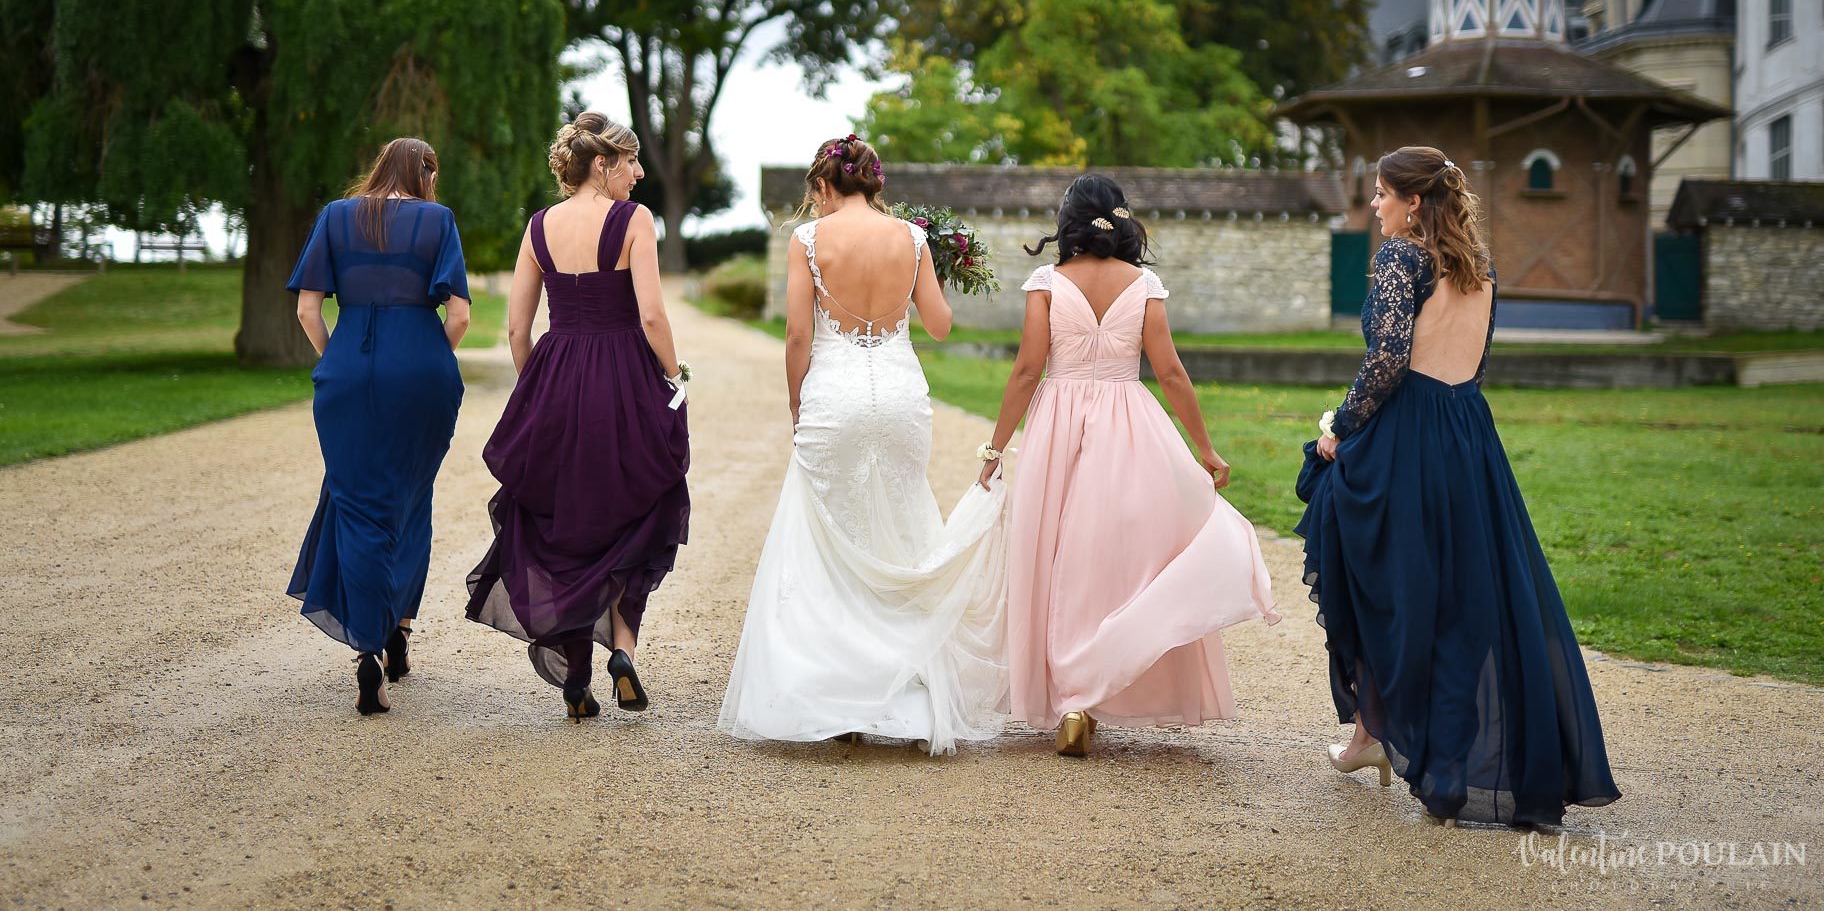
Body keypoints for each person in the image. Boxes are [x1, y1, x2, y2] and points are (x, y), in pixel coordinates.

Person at [1295, 145, 1620, 828]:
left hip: (1410, 434)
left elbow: (1386, 361)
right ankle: (1380, 739)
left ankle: (1379, 730)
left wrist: (1340, 428)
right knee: (1462, 598)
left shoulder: (1401, 258)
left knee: (1368, 569)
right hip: (1468, 436)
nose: (1374, 205)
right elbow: (1473, 363)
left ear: (1413, 203)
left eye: (1383, 193)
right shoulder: (1480, 264)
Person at [717, 135, 1008, 754]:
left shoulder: (808, 241)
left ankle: (837, 695)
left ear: (824, 185)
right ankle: (905, 695)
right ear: (875, 184)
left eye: (813, 193)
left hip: (836, 393)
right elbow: (939, 324)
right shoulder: (913, 238)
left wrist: (797, 399)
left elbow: (799, 333)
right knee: (899, 530)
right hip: (901, 396)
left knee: (833, 537)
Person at [980, 174, 1280, 756]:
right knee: (1116, 556)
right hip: (1128, 421)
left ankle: (1071, 700)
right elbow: (1170, 373)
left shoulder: (1046, 282)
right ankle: (1091, 685)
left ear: (1068, 221)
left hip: (1058, 423)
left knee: (1055, 554)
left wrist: (994, 449)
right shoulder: (1144, 285)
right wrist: (1204, 448)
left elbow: (1026, 370)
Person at [464, 111, 690, 722]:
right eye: (631, 162)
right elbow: (651, 317)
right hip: (625, 378)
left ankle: (576, 681)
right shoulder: (632, 221)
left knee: (565, 523)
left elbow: (517, 327)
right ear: (602, 165)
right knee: (636, 511)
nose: (639, 175)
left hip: (558, 374)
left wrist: (539, 386)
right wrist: (676, 375)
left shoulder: (539, 226)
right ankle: (622, 651)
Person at [287, 137, 472, 715]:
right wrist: (426, 358)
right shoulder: (437, 221)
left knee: (356, 501)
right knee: (411, 499)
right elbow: (460, 314)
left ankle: (367, 652)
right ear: (426, 174)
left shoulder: (336, 217)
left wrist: (335, 360)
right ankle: (397, 630)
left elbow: (307, 308)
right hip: (421, 373)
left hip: (348, 372)